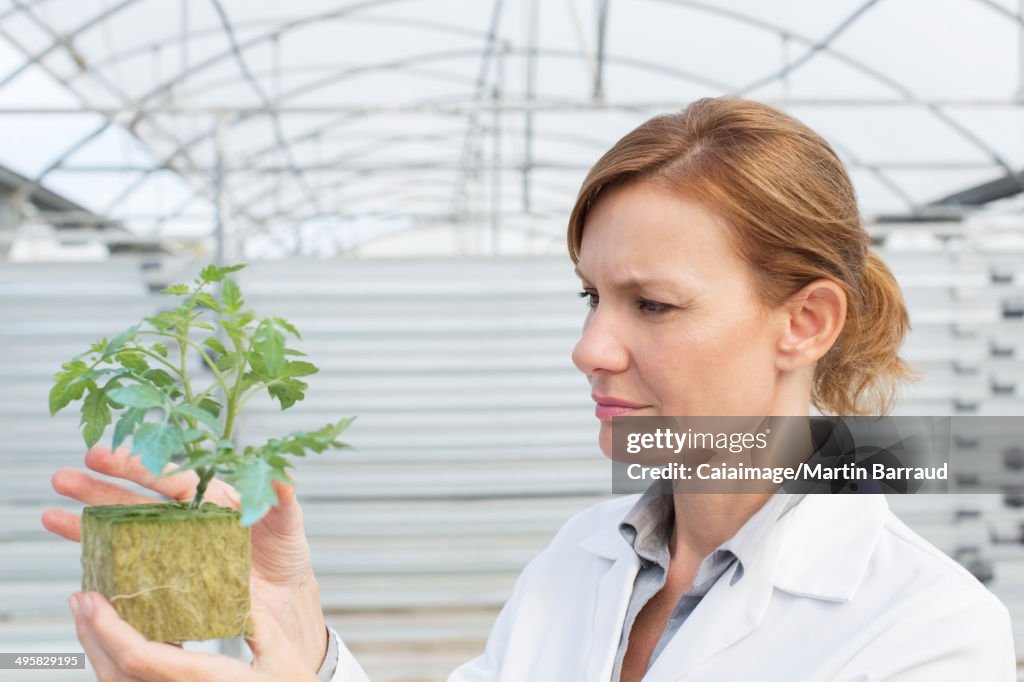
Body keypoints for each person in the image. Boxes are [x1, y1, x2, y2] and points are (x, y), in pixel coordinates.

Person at [44, 97, 1016, 681]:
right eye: (591, 295)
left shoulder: (925, 633)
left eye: (653, 304)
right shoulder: (583, 558)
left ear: (804, 320)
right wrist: (305, 653)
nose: (589, 346)